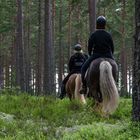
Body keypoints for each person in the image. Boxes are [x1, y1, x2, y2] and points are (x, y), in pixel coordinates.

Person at [80, 16, 115, 94]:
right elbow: (112, 47)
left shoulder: (93, 34)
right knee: (115, 67)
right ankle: (115, 84)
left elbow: (89, 47)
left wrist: (90, 55)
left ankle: (84, 87)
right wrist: (111, 56)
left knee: (83, 69)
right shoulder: (108, 35)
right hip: (108, 55)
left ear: (97, 24)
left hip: (96, 55)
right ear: (105, 25)